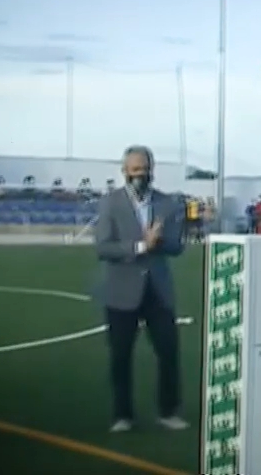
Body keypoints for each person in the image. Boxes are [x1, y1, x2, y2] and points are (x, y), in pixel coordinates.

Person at [93, 145, 187, 432]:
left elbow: (177, 246)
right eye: (134, 170)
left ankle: (168, 410)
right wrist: (139, 246)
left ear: (152, 170)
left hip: (157, 290)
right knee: (121, 356)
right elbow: (103, 247)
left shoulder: (168, 203)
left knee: (168, 351)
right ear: (124, 172)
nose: (139, 175)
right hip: (122, 291)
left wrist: (159, 242)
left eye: (144, 170)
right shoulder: (111, 203)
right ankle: (123, 415)